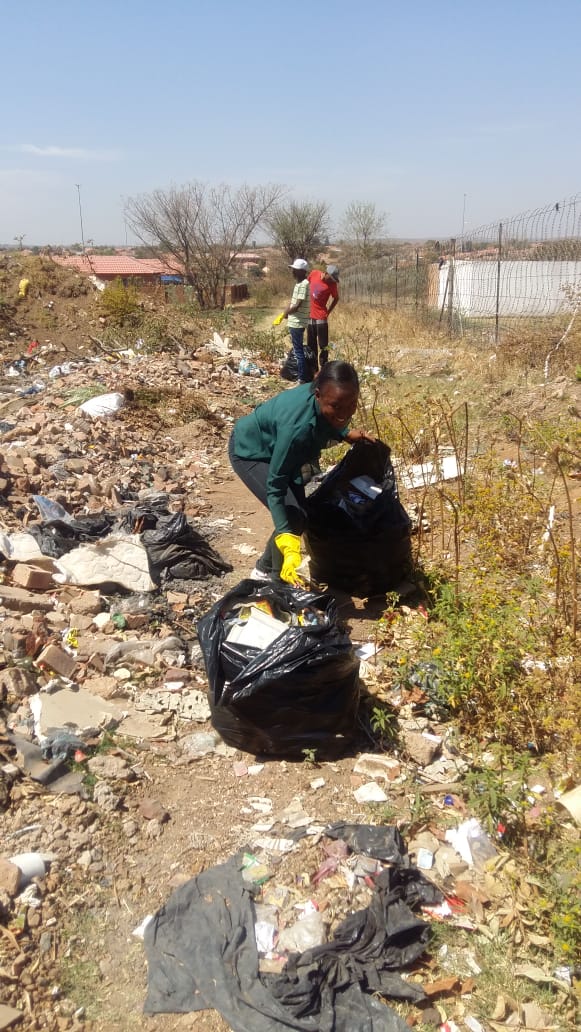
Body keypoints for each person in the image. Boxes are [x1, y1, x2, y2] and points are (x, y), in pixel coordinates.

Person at [228, 361, 374, 586]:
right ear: (317, 394)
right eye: (337, 406)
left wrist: (344, 433)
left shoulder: (327, 400)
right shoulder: (296, 429)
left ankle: (264, 570)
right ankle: (275, 583)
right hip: (252, 451)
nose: (345, 413)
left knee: (299, 516)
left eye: (352, 404)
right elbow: (275, 486)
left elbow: (326, 420)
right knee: (290, 517)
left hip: (282, 449)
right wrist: (287, 539)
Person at [275, 258, 310, 384]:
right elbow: (292, 302)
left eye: (295, 270)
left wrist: (285, 314)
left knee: (298, 350)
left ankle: (302, 378)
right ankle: (302, 376)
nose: (293, 272)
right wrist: (284, 314)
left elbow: (297, 305)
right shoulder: (298, 284)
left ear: (302, 271)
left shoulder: (304, 284)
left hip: (297, 322)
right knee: (297, 349)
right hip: (294, 320)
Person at [307, 265, 340, 369]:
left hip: (321, 316)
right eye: (331, 278)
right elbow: (306, 285)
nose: (332, 281)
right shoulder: (314, 274)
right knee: (311, 344)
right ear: (326, 274)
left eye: (334, 279)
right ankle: (313, 368)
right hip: (310, 315)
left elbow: (336, 298)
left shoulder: (332, 285)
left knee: (323, 345)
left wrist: (328, 312)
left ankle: (324, 368)